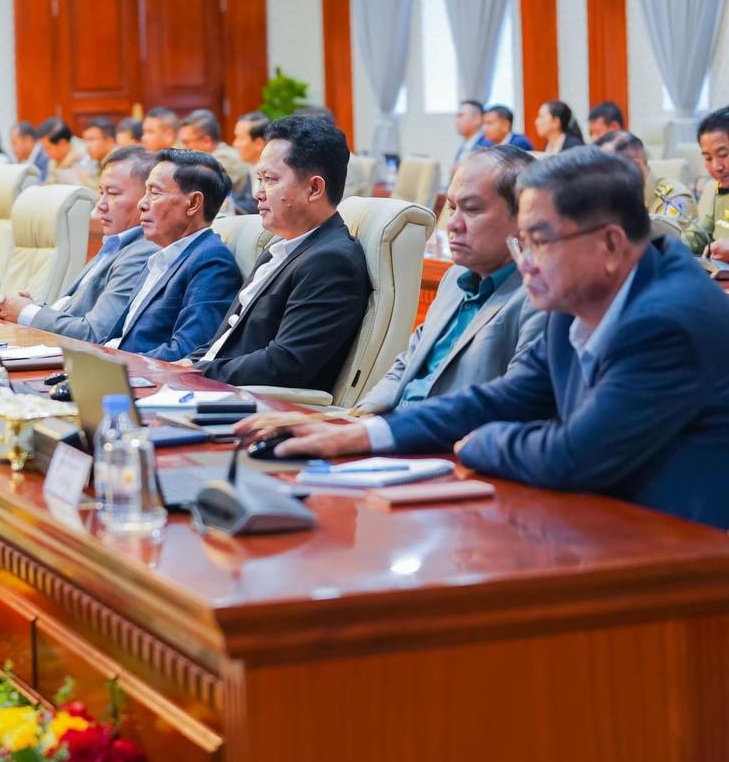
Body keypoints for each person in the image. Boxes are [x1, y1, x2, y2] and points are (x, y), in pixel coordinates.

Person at [239, 147, 729, 530]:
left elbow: (573, 456)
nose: (525, 261)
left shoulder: (668, 319)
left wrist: (480, 441)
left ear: (610, 244)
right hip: (596, 519)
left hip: (681, 550)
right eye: (522, 242)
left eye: (538, 242)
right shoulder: (576, 291)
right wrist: (363, 433)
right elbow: (509, 396)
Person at [180, 113, 369, 389]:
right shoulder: (279, 249)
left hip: (249, 402)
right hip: (211, 386)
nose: (258, 193)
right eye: (259, 179)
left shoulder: (331, 261)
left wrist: (196, 372)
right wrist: (181, 366)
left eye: (269, 179)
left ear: (314, 188)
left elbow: (285, 363)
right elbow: (223, 343)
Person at [356, 146, 545, 413]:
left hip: (440, 434)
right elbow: (408, 362)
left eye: (472, 209)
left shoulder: (539, 297)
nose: (452, 224)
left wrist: (387, 432)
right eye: (452, 208)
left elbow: (511, 407)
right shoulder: (455, 277)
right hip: (389, 426)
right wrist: (362, 416)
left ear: (524, 217)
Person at [0, 146, 158, 341]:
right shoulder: (116, 244)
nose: (100, 205)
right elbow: (73, 310)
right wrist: (31, 309)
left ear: (147, 198)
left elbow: (95, 334)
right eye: (101, 192)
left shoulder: (142, 252)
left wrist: (27, 313)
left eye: (113, 193)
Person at [104, 149, 241, 360]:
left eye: (155, 193)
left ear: (193, 203)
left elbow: (188, 351)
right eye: (145, 191)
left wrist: (115, 363)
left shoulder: (211, 261)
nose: (142, 203)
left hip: (142, 376)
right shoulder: (161, 257)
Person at [595, 130, 702, 247]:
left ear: (634, 167)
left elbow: (673, 245)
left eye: (607, 170)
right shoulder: (607, 197)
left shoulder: (674, 198)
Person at [178, 110, 251, 205]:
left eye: (186, 142)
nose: (182, 148)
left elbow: (194, 187)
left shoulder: (226, 159)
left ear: (206, 141)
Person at [688, 106, 729, 261]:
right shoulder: (719, 189)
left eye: (723, 154)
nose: (716, 166)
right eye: (708, 158)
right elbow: (700, 234)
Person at [231, 111, 270, 213]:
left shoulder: (272, 174)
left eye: (240, 138)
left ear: (258, 144)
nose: (235, 144)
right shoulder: (252, 167)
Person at [37, 116, 91, 186]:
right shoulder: (53, 162)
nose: (45, 154)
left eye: (48, 148)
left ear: (62, 144)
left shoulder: (88, 156)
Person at [80, 117, 117, 184]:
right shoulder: (99, 161)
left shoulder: (118, 165)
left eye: (91, 139)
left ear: (109, 141)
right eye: (85, 140)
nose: (87, 145)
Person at [454, 100, 486, 168]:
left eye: (461, 116)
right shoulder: (465, 145)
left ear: (477, 119)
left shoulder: (487, 147)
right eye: (456, 116)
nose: (456, 121)